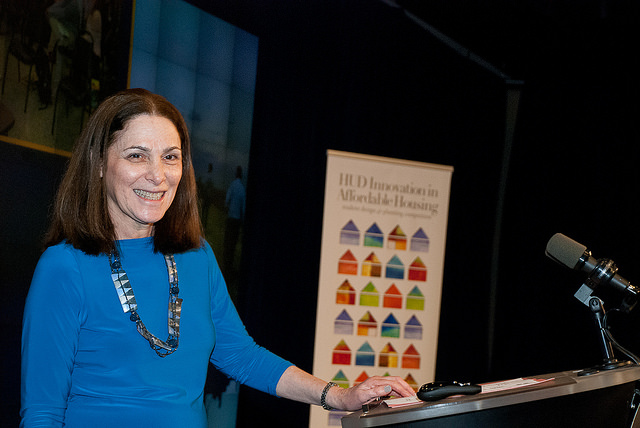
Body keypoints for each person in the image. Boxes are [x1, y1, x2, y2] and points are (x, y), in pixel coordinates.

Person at [20, 88, 415, 427]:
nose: (158, 175)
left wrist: (341, 396)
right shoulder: (64, 268)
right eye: (137, 155)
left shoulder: (196, 256)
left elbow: (242, 356)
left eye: (170, 157)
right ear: (100, 165)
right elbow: (42, 413)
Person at [223, 165, 245, 274]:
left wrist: (227, 208)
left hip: (231, 218)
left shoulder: (233, 185)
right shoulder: (242, 189)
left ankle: (225, 265)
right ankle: (229, 266)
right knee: (233, 244)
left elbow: (227, 200)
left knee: (227, 242)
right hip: (237, 220)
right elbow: (243, 208)